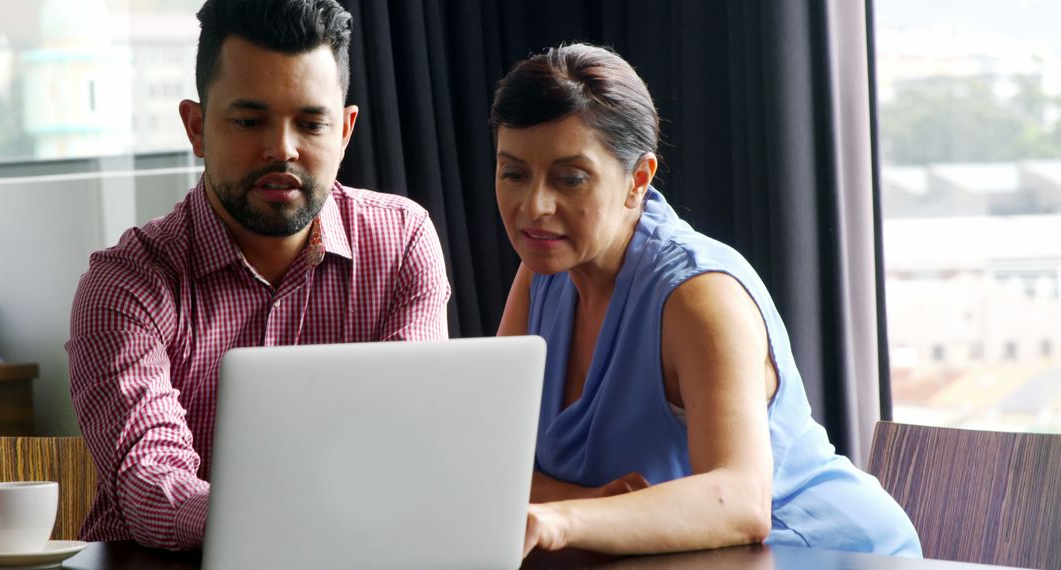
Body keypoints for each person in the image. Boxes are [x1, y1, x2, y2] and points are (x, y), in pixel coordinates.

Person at [492, 44, 921, 557]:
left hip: (820, 550)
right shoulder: (542, 270)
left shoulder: (700, 294)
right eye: (514, 173)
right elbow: (493, 463)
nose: (535, 206)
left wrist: (566, 519)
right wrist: (591, 507)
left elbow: (740, 502)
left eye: (570, 179)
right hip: (678, 555)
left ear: (639, 180)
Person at [66, 0, 450, 550]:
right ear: (196, 128)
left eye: (311, 123)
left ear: (345, 132)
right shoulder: (125, 285)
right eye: (249, 121)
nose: (282, 149)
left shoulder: (403, 243)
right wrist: (302, 520)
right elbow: (152, 486)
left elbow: (408, 440)